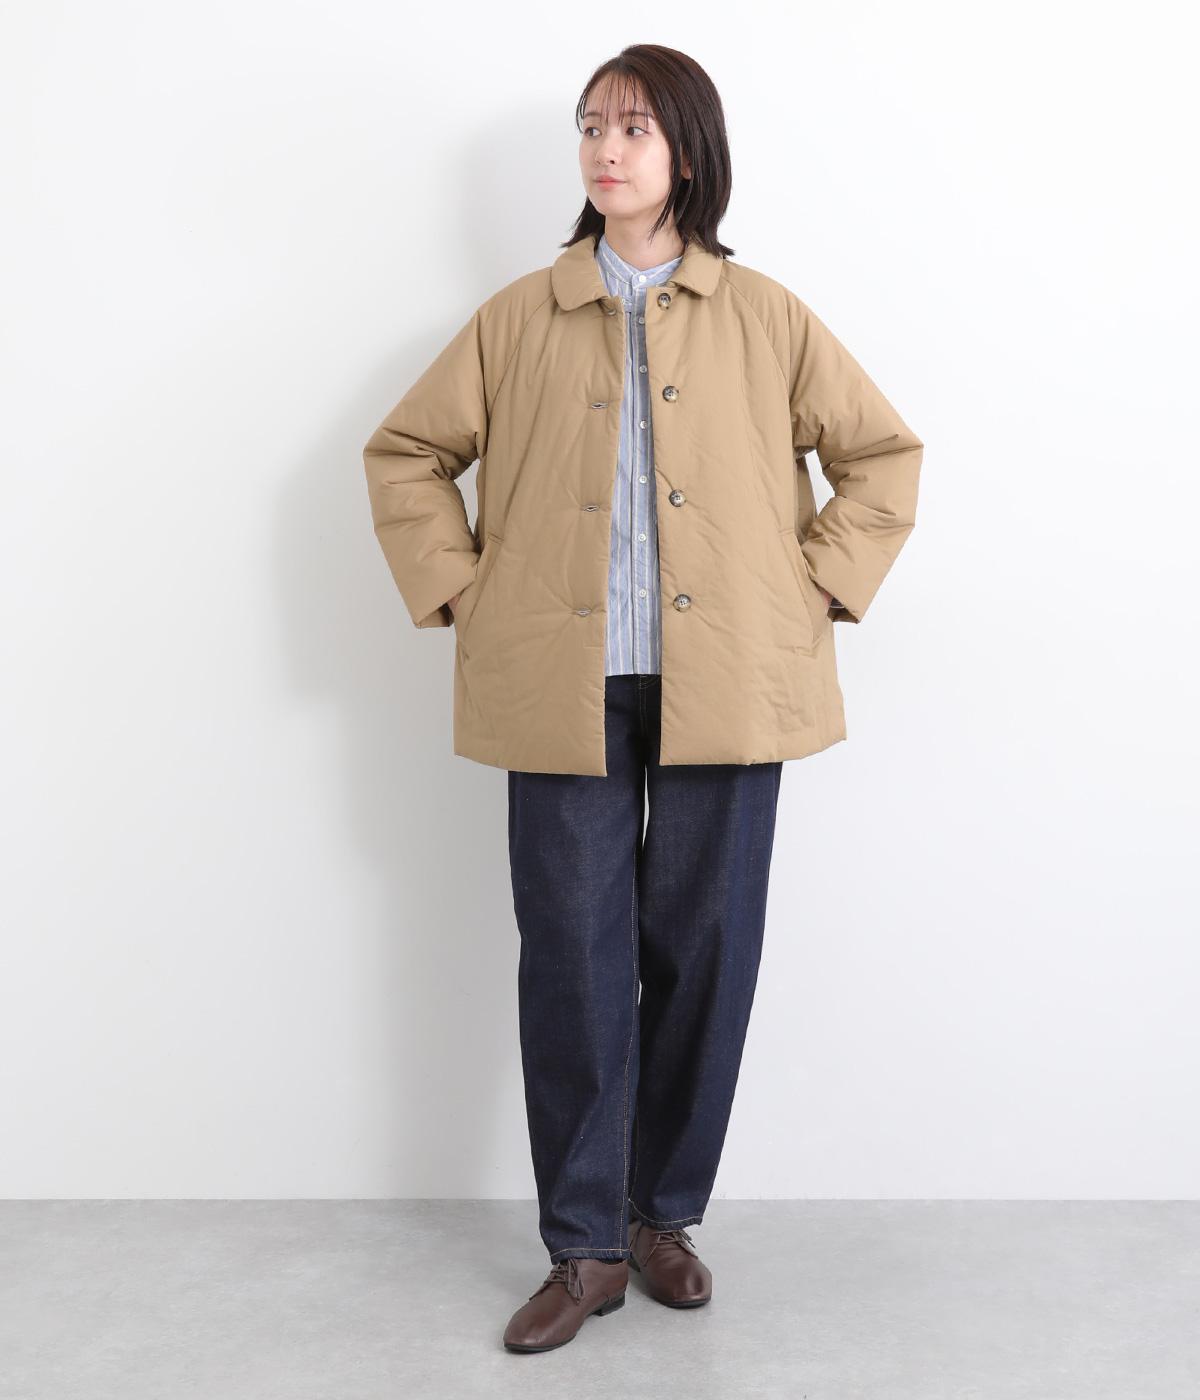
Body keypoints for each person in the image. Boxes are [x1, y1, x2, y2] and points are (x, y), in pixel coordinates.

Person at [362, 44, 923, 1354]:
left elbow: (882, 457)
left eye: (634, 129)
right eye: (592, 127)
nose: (606, 150)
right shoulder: (521, 316)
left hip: (731, 685)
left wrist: (811, 590)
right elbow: (407, 453)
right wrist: (464, 592)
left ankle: (664, 1215)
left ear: (688, 152)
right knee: (571, 962)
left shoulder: (764, 315)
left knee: (702, 957)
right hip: (558, 685)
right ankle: (584, 1248)